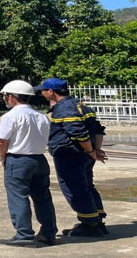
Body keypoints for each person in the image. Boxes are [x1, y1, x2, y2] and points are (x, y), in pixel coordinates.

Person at [35, 78, 107, 237]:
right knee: (87, 186)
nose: (41, 93)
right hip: (84, 154)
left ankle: (90, 224)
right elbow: (98, 130)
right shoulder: (80, 106)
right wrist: (95, 150)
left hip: (70, 154)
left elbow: (78, 133)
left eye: (43, 90)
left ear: (51, 92)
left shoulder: (64, 108)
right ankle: (96, 220)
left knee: (74, 188)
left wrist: (91, 151)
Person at [0, 80, 58, 247]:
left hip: (18, 159)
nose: (4, 98)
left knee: (18, 196)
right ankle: (48, 232)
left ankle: (24, 234)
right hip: (39, 159)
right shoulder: (41, 116)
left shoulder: (10, 116)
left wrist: (3, 158)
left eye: (5, 96)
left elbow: (1, 141)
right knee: (43, 197)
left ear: (11, 97)